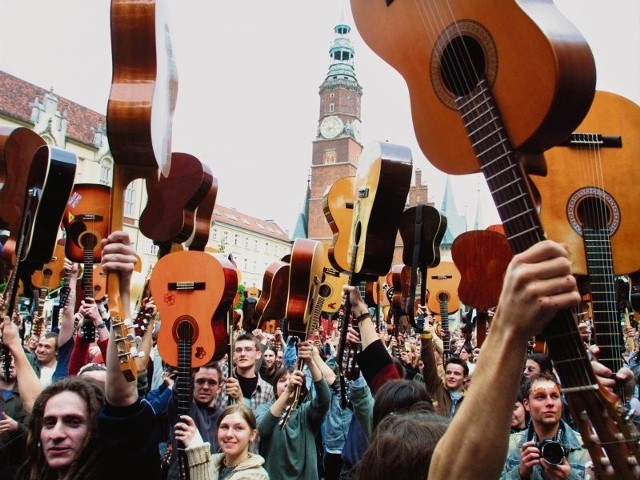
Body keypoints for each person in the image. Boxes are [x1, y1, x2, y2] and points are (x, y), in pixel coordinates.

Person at [255, 340, 330, 480]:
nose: (288, 383)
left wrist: (310, 363)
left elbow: (325, 399)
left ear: (301, 391)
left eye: (292, 381)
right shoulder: (264, 409)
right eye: (282, 380)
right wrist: (288, 391)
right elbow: (262, 429)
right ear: (274, 388)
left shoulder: (306, 413)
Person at [500, 373, 589, 479]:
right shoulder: (508, 446)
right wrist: (520, 472)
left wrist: (570, 477)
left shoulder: (586, 448)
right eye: (540, 397)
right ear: (526, 404)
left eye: (555, 396)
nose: (550, 403)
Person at [165, 362, 225, 480]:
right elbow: (179, 394)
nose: (206, 387)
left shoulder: (224, 418)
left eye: (212, 382)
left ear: (219, 388)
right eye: (200, 381)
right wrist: (188, 371)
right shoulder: (183, 409)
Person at [180, 403, 269, 480]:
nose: (229, 434)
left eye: (239, 428)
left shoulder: (257, 476)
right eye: (224, 427)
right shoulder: (211, 463)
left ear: (252, 435)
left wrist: (197, 449)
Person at [221, 333, 274, 410]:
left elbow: (264, 421)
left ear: (258, 355)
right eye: (239, 350)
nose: (242, 354)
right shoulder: (223, 378)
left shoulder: (267, 390)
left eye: (248, 349)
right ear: (233, 355)